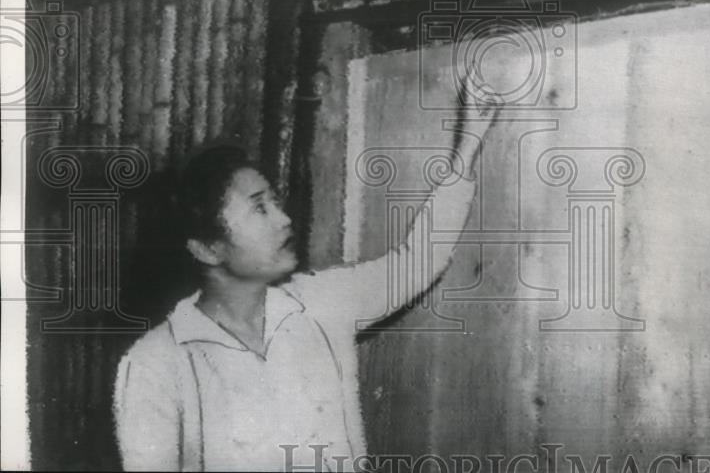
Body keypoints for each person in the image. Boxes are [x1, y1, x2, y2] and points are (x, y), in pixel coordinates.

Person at [114, 83, 498, 472]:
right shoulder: (155, 363)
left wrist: (466, 149)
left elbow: (416, 262)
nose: (285, 219)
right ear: (207, 249)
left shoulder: (321, 303)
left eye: (276, 202)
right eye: (260, 209)